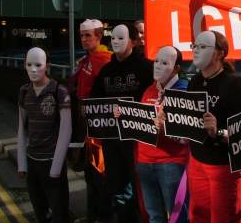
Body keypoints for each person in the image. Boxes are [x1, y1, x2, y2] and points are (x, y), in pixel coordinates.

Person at [187, 30, 241, 223]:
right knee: (199, 216)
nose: (196, 51)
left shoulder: (235, 84)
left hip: (223, 165)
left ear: (220, 53)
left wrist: (219, 131)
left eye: (203, 47)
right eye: (195, 46)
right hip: (197, 159)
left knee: (223, 218)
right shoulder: (195, 80)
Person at [91, 23, 153, 223]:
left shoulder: (146, 68)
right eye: (113, 38)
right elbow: (95, 101)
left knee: (140, 188)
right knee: (116, 186)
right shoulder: (106, 70)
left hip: (138, 140)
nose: (115, 42)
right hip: (112, 140)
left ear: (133, 42)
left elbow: (154, 100)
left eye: (121, 38)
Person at [17, 47, 72, 223]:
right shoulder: (24, 91)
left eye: (38, 65)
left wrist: (56, 166)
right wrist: (22, 162)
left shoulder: (59, 91)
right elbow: (21, 127)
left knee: (59, 213)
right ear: (24, 65)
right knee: (40, 211)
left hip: (51, 162)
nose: (33, 69)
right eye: (29, 64)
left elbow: (66, 130)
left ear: (47, 66)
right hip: (32, 161)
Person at [135, 46, 189, 223]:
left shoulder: (184, 91)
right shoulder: (149, 90)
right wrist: (126, 117)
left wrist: (166, 129)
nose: (157, 66)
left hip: (170, 163)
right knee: (154, 216)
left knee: (177, 216)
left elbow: (186, 138)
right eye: (156, 61)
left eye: (164, 63)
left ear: (176, 68)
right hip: (145, 161)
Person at [71, 18, 113, 223]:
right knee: (89, 172)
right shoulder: (87, 59)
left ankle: (102, 216)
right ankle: (92, 215)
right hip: (85, 126)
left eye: (88, 35)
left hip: (100, 129)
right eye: (81, 35)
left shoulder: (105, 60)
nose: (84, 39)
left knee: (99, 173)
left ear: (99, 36)